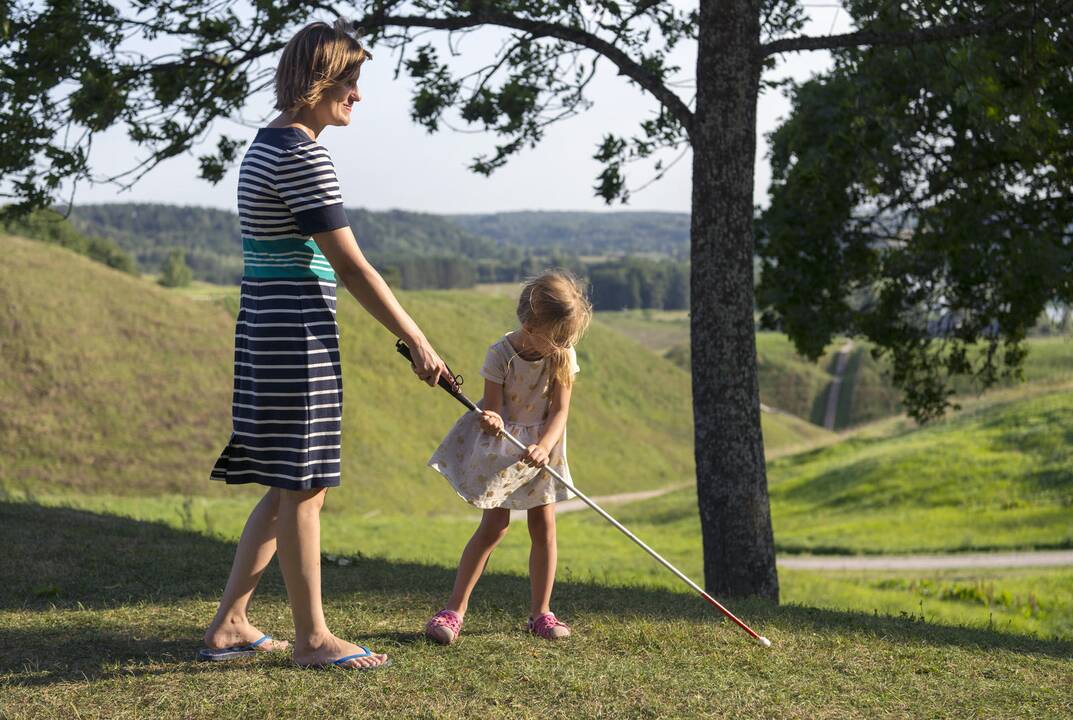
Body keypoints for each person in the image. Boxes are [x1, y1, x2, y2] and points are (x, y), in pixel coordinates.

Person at [199, 18, 451, 671]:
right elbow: (354, 266)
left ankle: (230, 623)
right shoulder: (301, 154)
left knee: (288, 485)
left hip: (270, 327)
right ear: (317, 81)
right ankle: (313, 639)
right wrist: (416, 337)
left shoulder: (265, 145)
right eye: (349, 81)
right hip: (294, 334)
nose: (357, 95)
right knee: (304, 486)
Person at [424, 270, 593, 644]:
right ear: (531, 325)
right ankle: (453, 611)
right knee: (494, 528)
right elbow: (496, 410)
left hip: (542, 450)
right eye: (557, 337)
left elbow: (560, 412)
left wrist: (546, 446)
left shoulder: (563, 355)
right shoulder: (500, 354)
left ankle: (541, 613)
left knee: (544, 528)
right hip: (503, 447)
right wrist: (492, 419)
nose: (562, 345)